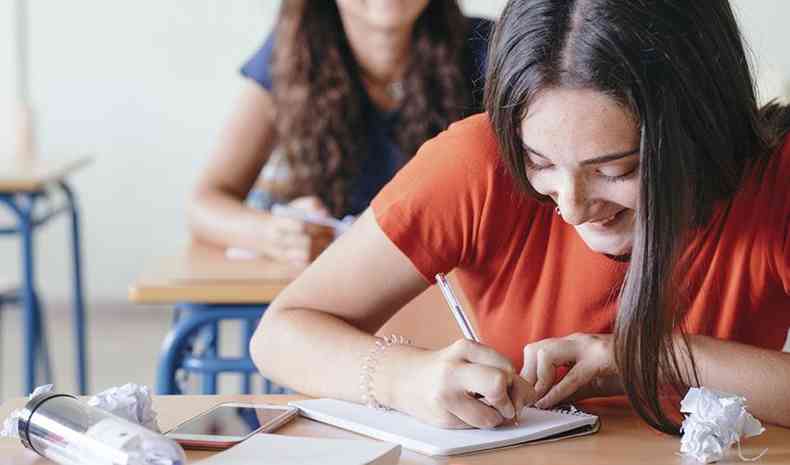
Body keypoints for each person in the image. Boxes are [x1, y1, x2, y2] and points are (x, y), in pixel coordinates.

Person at [249, 0, 790, 434]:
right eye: (540, 163)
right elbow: (280, 334)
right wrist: (405, 379)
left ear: (703, 129)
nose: (572, 207)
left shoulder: (777, 177)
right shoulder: (476, 161)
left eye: (616, 169)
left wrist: (639, 357)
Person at [188, 0, 492, 264]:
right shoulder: (290, 51)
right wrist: (274, 234)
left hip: (456, 293)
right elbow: (204, 202)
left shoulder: (492, 47)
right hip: (338, 298)